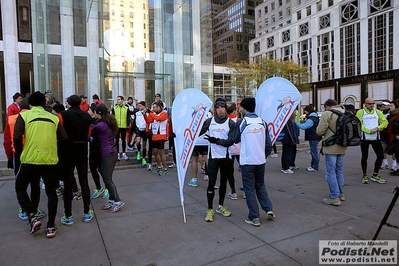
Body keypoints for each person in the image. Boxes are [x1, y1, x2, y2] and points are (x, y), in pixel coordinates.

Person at [14, 91, 67, 238]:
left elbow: (17, 137)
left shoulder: (24, 115)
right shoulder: (53, 117)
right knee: (51, 191)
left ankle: (32, 216)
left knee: (20, 187)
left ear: (30, 103)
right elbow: (63, 138)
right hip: (49, 159)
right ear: (44, 103)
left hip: (30, 158)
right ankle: (51, 226)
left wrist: (20, 153)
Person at [232, 97, 274, 226]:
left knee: (249, 189)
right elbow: (268, 144)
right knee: (260, 185)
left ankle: (254, 216)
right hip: (260, 161)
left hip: (247, 161)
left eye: (240, 106)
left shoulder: (242, 123)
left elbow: (235, 139)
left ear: (244, 108)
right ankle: (268, 209)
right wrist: (263, 156)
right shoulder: (263, 122)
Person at [199, 98, 235, 222]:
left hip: (226, 158)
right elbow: (197, 133)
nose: (220, 110)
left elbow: (231, 141)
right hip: (213, 158)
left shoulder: (231, 123)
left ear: (225, 109)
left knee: (223, 184)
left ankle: (220, 206)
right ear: (215, 109)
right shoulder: (209, 121)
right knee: (211, 183)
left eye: (222, 107)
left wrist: (216, 141)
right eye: (218, 107)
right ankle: (210, 209)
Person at [60, 94, 94, 225]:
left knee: (68, 182)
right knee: (84, 180)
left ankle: (68, 215)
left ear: (68, 102)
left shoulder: (62, 115)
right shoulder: (86, 116)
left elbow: (60, 132)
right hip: (82, 149)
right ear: (80, 103)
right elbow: (89, 133)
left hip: (68, 149)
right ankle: (86, 212)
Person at [92, 104, 125, 212]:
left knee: (107, 179)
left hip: (108, 154)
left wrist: (89, 118)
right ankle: (111, 199)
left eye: (95, 112)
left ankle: (118, 200)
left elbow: (90, 132)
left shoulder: (100, 125)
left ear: (99, 113)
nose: (93, 114)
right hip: (109, 153)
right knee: (106, 177)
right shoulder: (106, 123)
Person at [316, 99, 347, 206]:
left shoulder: (327, 114)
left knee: (330, 172)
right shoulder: (345, 112)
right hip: (343, 145)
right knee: (339, 170)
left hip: (331, 146)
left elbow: (319, 131)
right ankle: (341, 193)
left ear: (327, 106)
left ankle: (334, 196)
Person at [356, 97, 388, 184]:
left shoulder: (378, 112)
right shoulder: (360, 112)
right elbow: (358, 123)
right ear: (365, 104)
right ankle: (365, 175)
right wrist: (368, 130)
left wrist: (377, 128)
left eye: (373, 103)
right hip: (364, 138)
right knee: (364, 156)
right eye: (369, 103)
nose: (371, 105)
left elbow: (385, 122)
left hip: (375, 137)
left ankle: (375, 174)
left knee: (380, 156)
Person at [144, 100, 169, 175]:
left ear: (160, 107)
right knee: (155, 152)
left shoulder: (164, 113)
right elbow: (149, 121)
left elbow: (158, 118)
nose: (153, 109)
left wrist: (151, 113)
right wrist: (145, 114)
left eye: (155, 107)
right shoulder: (153, 114)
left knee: (161, 152)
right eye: (153, 107)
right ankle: (159, 166)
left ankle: (165, 168)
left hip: (161, 135)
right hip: (154, 135)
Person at [296, 105, 322, 172]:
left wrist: (296, 123)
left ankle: (315, 166)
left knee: (314, 152)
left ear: (308, 111)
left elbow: (304, 126)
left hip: (313, 137)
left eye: (305, 110)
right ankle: (314, 166)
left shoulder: (311, 119)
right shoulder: (315, 116)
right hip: (316, 136)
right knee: (314, 151)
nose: (304, 112)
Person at [226, 103, 239, 200]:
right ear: (235, 111)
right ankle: (247, 192)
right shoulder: (240, 121)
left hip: (229, 150)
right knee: (245, 171)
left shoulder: (225, 122)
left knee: (230, 172)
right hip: (240, 150)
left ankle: (233, 191)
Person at [112, 95, 130, 161]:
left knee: (123, 140)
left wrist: (128, 125)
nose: (118, 101)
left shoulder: (126, 108)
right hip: (117, 126)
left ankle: (124, 153)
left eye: (119, 99)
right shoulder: (114, 108)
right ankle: (117, 154)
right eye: (117, 99)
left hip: (123, 126)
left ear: (122, 100)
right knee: (116, 140)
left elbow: (128, 117)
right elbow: (112, 117)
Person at [133, 101, 148, 166]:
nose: (139, 107)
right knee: (138, 142)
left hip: (145, 130)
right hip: (139, 129)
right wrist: (135, 128)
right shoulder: (137, 113)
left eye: (140, 106)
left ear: (144, 106)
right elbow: (134, 121)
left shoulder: (147, 112)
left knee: (144, 145)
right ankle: (139, 152)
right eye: (138, 106)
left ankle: (144, 158)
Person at [386, 100, 399, 176]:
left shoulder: (397, 115)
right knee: (396, 153)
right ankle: (397, 168)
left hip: (396, 137)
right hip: (392, 136)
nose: (390, 107)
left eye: (391, 106)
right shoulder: (391, 114)